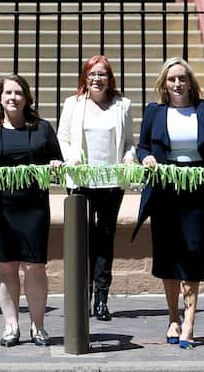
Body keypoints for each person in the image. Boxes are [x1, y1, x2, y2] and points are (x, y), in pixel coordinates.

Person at [133, 57, 204, 349]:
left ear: (190, 82)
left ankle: (189, 321)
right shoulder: (155, 111)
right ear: (164, 83)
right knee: (168, 254)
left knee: (193, 252)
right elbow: (143, 146)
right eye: (172, 79)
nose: (177, 84)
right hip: (164, 186)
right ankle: (173, 317)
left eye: (182, 79)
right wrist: (145, 157)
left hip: (197, 186)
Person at [0, 74, 64, 348]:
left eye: (18, 93)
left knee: (34, 266)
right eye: (8, 93)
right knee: (6, 266)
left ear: (26, 98)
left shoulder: (42, 129)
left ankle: (39, 325)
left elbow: (57, 163)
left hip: (32, 207)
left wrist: (57, 165)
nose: (13, 98)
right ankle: (11, 326)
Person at [56, 54, 135, 321]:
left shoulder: (122, 105)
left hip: (111, 183)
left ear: (109, 78)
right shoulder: (73, 104)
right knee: (82, 240)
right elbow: (63, 138)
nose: (97, 79)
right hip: (81, 181)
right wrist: (71, 158)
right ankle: (83, 294)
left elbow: (129, 142)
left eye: (102, 74)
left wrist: (127, 157)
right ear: (85, 77)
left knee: (105, 240)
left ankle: (101, 297)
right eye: (92, 74)